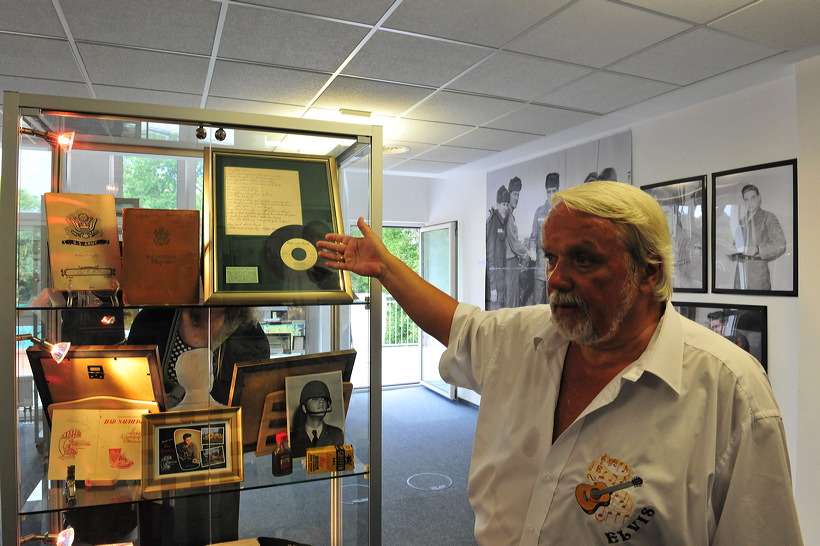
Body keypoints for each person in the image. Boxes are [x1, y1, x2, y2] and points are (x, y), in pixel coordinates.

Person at [316, 180, 802, 545]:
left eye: (583, 260)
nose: (556, 279)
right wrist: (384, 267)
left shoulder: (729, 389)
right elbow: (456, 323)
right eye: (550, 258)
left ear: (649, 273)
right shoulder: (524, 338)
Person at [127, 306, 269, 546]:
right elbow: (130, 389)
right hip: (156, 468)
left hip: (218, 470)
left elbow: (250, 412)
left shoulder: (251, 334)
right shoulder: (151, 320)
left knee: (216, 536)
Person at [127, 306, 269, 407]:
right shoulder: (151, 320)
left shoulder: (251, 334)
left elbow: (251, 403)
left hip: (220, 437)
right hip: (159, 435)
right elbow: (133, 388)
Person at [732, 184, 786, 290]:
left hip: (758, 275)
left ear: (758, 197)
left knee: (758, 305)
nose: (750, 202)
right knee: (740, 305)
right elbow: (735, 245)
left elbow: (780, 244)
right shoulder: (742, 221)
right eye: (746, 200)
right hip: (740, 273)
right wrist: (732, 249)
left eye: (753, 198)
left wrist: (758, 249)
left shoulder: (768, 218)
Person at [289, 380, 345, 458]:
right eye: (315, 399)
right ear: (304, 408)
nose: (321, 402)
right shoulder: (292, 439)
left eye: (324, 399)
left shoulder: (337, 434)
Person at [528, 173, 560, 305]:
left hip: (556, 271)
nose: (551, 194)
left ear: (558, 191)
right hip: (540, 269)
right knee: (536, 307)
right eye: (549, 191)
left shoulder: (562, 212)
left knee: (553, 307)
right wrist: (532, 250)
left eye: (554, 191)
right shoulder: (539, 212)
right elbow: (533, 237)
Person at [503, 177, 532, 308]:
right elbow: (514, 243)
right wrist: (528, 253)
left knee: (513, 296)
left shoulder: (510, 215)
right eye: (514, 194)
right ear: (509, 195)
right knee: (511, 298)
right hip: (510, 262)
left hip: (512, 262)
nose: (516, 198)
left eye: (518, 195)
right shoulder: (508, 216)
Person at [485, 185, 510, 310]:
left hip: (502, 281)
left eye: (507, 204)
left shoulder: (502, 222)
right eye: (503, 204)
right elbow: (490, 256)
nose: (505, 208)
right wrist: (493, 287)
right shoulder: (493, 222)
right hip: (495, 284)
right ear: (497, 204)